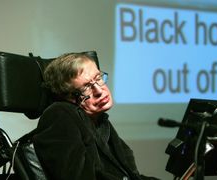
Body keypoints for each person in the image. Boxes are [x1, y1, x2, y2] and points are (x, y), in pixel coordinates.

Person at [33, 51, 159, 180]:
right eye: (86, 87)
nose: (99, 90)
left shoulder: (99, 120)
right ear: (68, 96)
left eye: (98, 78)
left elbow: (130, 176)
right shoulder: (59, 115)